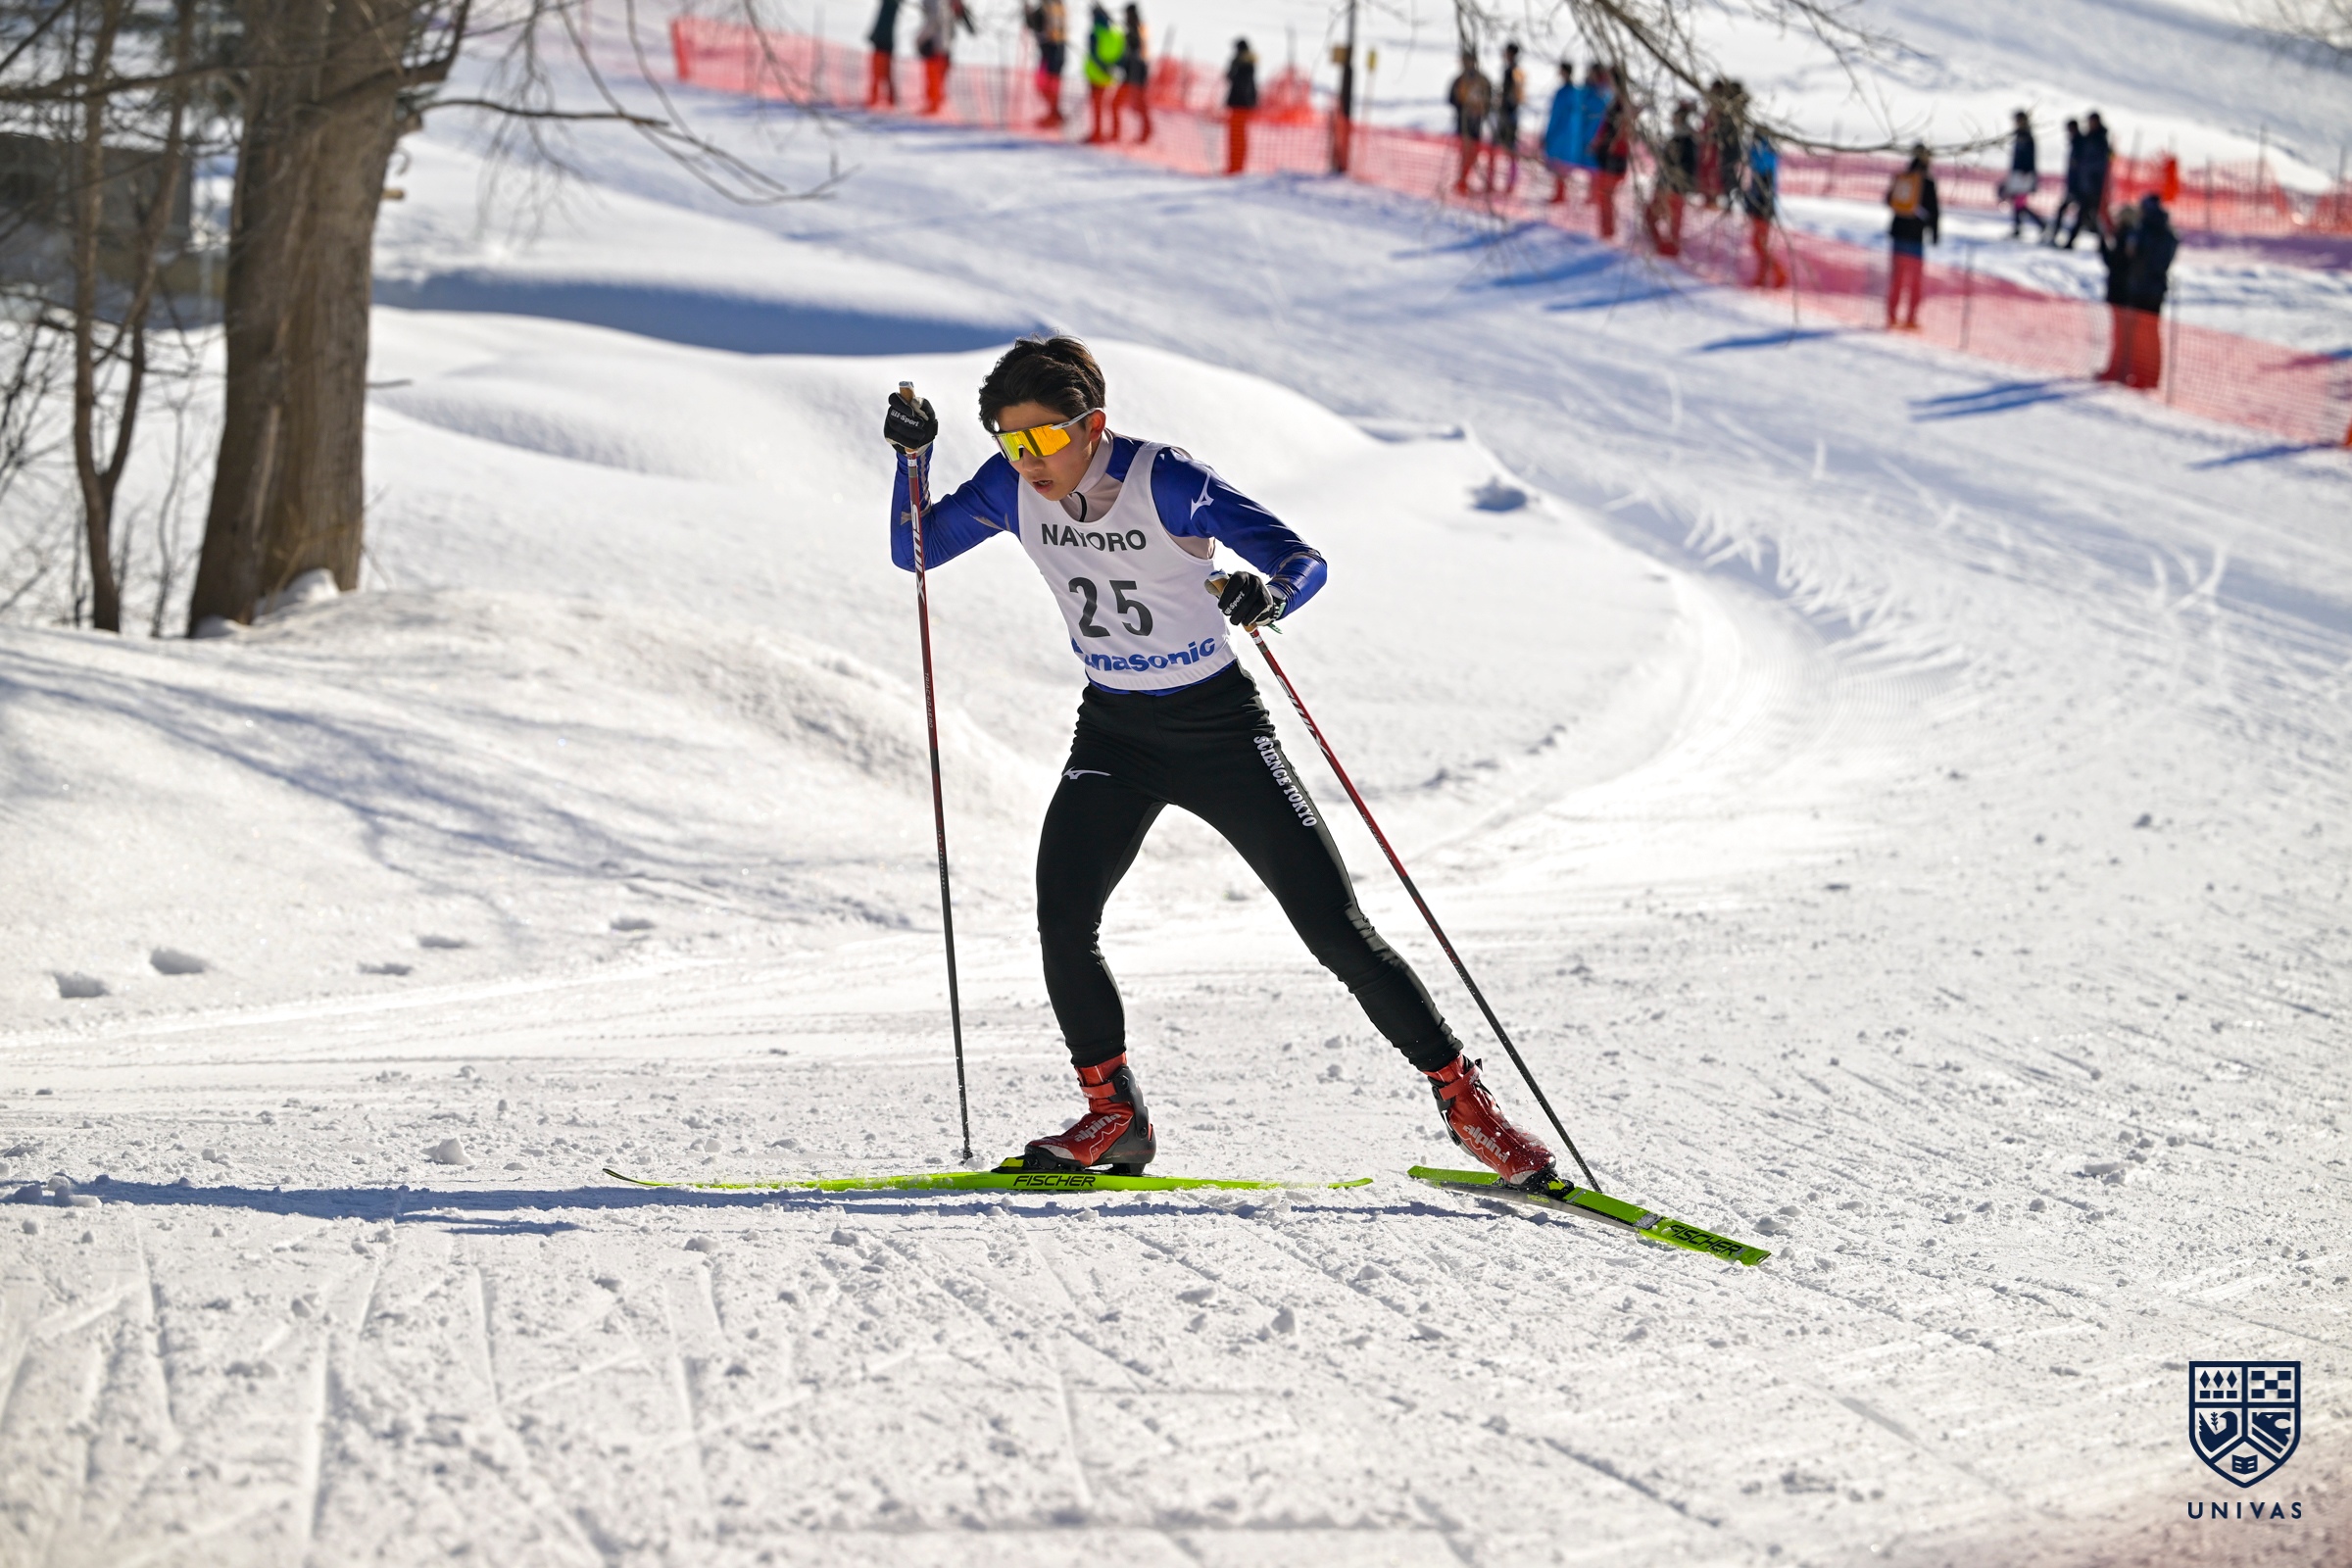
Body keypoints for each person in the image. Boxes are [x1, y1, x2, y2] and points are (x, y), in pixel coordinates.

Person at [877, 339, 1565, 1187]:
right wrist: (914, 460)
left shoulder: (1165, 479)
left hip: (1220, 730)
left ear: (1092, 425)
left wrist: (1267, 594)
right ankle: (1115, 1115)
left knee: (1334, 928)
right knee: (1063, 916)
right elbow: (915, 551)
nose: (1029, 461)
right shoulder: (1007, 487)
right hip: (1115, 732)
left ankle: (1466, 1105)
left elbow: (1301, 560)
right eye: (1011, 443)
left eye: (1044, 439)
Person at [2100, 193, 2177, 388]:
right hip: (2146, 289)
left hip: (2144, 290)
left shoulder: (2148, 232)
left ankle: (2146, 375)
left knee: (2145, 335)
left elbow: (2139, 260)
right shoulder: (2160, 232)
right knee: (2144, 335)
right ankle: (2142, 374)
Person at [1884, 142, 1938, 329]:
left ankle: (1891, 315)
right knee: (1914, 281)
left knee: (1896, 278)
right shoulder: (1927, 182)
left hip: (1898, 234)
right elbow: (1934, 212)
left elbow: (1889, 200)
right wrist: (1934, 234)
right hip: (1916, 237)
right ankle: (1910, 318)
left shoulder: (1904, 177)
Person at [1644, 99, 1697, 256]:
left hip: (1673, 188)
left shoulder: (1686, 140)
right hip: (1665, 184)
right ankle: (1661, 245)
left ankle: (1670, 248)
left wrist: (1673, 180)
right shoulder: (1676, 137)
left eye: (1675, 117)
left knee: (1672, 219)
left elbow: (1687, 167)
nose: (1672, 119)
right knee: (1653, 215)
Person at [2057, 111, 2110, 249]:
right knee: (2088, 216)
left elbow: (2100, 164)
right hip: (2085, 184)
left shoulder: (2100, 140)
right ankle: (2102, 244)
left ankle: (2072, 242)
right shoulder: (2088, 138)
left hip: (2094, 185)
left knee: (2087, 215)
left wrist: (2084, 166)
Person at [1741, 128, 1788, 287]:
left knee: (1759, 244)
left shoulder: (1764, 154)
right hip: (1759, 207)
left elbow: (1760, 170)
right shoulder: (1763, 153)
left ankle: (1777, 273)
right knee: (1758, 244)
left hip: (1763, 208)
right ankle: (1764, 275)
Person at [1542, 60, 1592, 205]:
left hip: (1560, 134)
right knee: (1562, 164)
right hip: (1571, 135)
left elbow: (1556, 115)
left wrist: (1549, 133)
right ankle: (1560, 192)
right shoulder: (1577, 92)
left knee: (1559, 163)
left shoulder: (1565, 93)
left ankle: (1560, 193)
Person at [1589, 64, 1628, 238]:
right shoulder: (1615, 101)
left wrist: (1602, 144)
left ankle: (1607, 231)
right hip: (1609, 155)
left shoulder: (1620, 104)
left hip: (1613, 156)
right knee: (1605, 195)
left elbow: (1615, 132)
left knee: (1606, 194)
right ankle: (1606, 230)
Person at [914, 0, 973, 116]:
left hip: (935, 43)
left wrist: (920, 39)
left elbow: (934, 19)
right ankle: (936, 102)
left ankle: (934, 104)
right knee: (938, 75)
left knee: (933, 75)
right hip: (944, 43)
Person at [1448, 50, 1492, 195]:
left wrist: (1480, 111)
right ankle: (1462, 180)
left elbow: (1488, 100)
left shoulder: (1482, 80)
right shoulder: (1460, 80)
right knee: (1464, 153)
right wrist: (1463, 107)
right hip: (1463, 123)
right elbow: (1451, 98)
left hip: (1476, 123)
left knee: (1473, 153)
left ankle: (1464, 179)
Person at [1489, 42, 1525, 194]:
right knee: (1505, 150)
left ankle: (1507, 182)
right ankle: (1505, 182)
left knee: (1505, 149)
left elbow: (1514, 96)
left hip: (1508, 116)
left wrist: (1503, 103)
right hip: (1508, 115)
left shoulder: (1513, 72)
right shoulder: (1515, 71)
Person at [1083, 3, 1122, 142]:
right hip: (1110, 75)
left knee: (1097, 107)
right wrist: (1111, 68)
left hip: (1096, 75)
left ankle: (1097, 134)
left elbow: (1094, 55)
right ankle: (1114, 134)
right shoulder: (1117, 33)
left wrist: (1103, 67)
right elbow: (1121, 55)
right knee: (1109, 106)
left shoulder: (1096, 32)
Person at [1025, 1, 1067, 128]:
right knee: (1050, 87)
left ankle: (1054, 115)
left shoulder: (1048, 8)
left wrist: (1027, 14)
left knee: (1044, 85)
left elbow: (1033, 24)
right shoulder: (1057, 7)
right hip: (1056, 53)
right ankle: (1054, 114)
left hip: (1051, 54)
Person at [2002, 110, 2044, 238]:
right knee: (2017, 203)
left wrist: (2026, 171)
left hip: (2023, 175)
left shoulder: (2026, 137)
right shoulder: (2019, 135)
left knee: (2020, 204)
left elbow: (2030, 156)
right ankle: (2018, 228)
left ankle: (2040, 224)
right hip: (2017, 173)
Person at [1113, 3, 1151, 142]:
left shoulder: (1136, 30)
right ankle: (1118, 133)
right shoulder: (1136, 28)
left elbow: (1136, 54)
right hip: (1133, 74)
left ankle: (1145, 132)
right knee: (1126, 105)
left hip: (1134, 76)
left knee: (1135, 105)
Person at [1224, 37, 1257, 175]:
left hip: (1239, 106)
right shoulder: (1249, 64)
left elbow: (1234, 80)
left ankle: (1236, 167)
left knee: (1236, 138)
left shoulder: (1244, 65)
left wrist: (1233, 67)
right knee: (1238, 138)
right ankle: (1235, 166)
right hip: (1242, 106)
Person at [866, 0, 903, 108]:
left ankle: (879, 99)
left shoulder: (891, 4)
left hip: (883, 44)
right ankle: (880, 99)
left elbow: (883, 24)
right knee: (883, 75)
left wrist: (875, 37)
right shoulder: (890, 4)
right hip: (884, 43)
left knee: (881, 74)